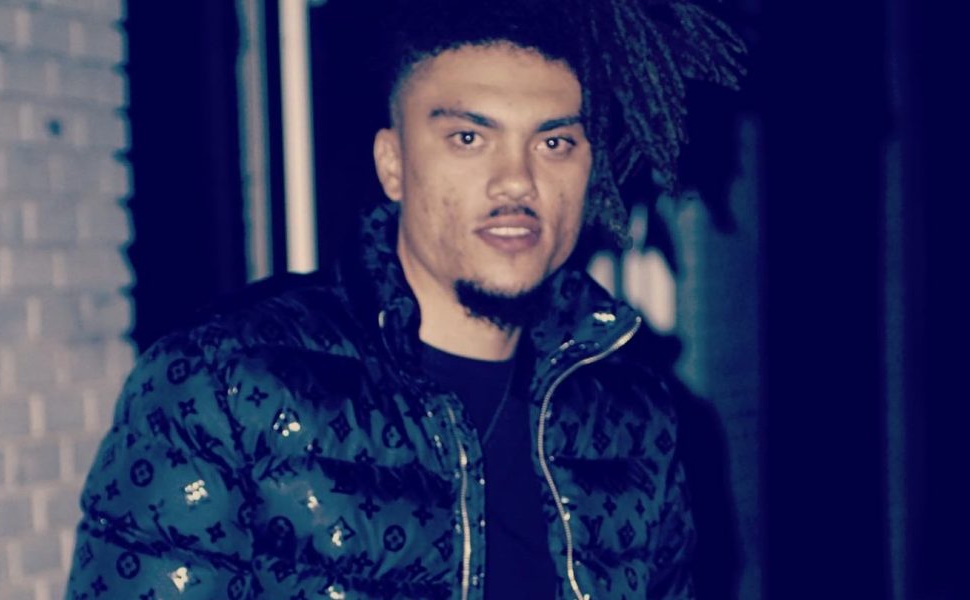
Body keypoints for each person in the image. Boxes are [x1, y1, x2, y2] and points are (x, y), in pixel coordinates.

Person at [66, 0, 744, 598]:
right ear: (393, 164)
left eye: (555, 141)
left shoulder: (634, 417)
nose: (517, 181)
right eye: (469, 138)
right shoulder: (222, 384)